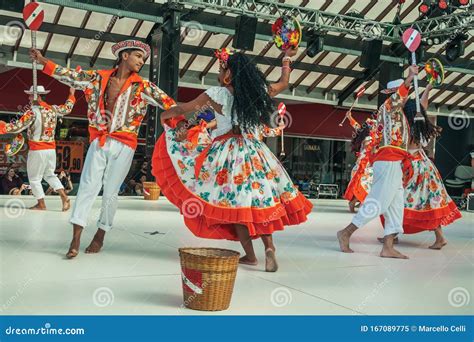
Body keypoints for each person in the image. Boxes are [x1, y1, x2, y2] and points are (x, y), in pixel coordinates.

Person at [153, 47, 313, 272]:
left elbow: (186, 109)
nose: (218, 74)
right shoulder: (258, 91)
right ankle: (269, 248)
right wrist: (286, 58)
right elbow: (283, 83)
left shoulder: (217, 94)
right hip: (255, 153)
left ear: (228, 73)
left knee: (235, 207)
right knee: (260, 201)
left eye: (221, 69)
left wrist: (165, 114)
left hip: (228, 155)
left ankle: (250, 256)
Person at [29, 40, 183, 259]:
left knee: (111, 192)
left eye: (144, 59)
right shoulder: (97, 78)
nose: (142, 61)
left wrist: (191, 118)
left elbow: (169, 104)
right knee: (87, 187)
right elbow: (71, 76)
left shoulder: (143, 86)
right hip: (99, 141)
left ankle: (100, 234)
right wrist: (44, 61)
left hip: (126, 144)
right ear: (124, 56)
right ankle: (75, 238)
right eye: (138, 56)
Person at [337, 66, 418, 259]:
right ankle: (346, 232)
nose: (406, 96)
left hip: (394, 162)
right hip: (388, 161)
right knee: (378, 203)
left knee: (396, 207)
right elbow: (399, 96)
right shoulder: (389, 106)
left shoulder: (399, 114)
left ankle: (388, 246)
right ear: (392, 93)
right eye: (402, 91)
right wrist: (409, 78)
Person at [378, 83, 461, 249]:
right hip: (425, 166)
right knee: (428, 203)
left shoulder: (403, 125)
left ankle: (392, 235)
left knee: (394, 199)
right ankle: (439, 238)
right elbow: (423, 105)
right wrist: (428, 90)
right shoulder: (420, 123)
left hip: (409, 168)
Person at [0, 85, 75, 210]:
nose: (28, 98)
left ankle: (41, 204)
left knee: (34, 179)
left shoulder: (32, 112)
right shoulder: (53, 109)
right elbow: (67, 108)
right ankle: (63, 196)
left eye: (30, 95)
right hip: (51, 150)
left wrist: (1, 125)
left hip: (37, 149)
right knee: (49, 175)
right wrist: (71, 94)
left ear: (37, 96)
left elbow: (16, 127)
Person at [343, 112, 376, 212]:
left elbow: (356, 126)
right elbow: (369, 151)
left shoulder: (367, 136)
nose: (376, 128)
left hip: (364, 166)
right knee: (366, 185)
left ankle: (357, 203)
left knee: (365, 185)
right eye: (374, 126)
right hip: (364, 166)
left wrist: (349, 117)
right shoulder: (369, 139)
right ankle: (355, 203)